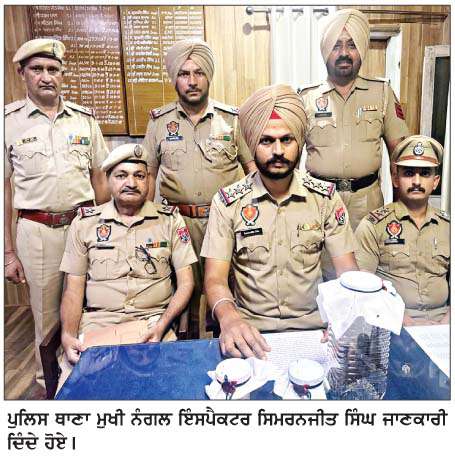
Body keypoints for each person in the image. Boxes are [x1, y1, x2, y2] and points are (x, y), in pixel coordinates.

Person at [201, 84, 358, 359]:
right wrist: (229, 318)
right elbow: (214, 279)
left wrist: (343, 319)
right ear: (253, 144)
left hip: (315, 331)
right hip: (251, 333)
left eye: (287, 140)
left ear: (300, 143)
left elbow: (347, 271)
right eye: (266, 141)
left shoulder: (325, 198)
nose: (278, 150)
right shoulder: (228, 202)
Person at [4, 38, 110, 395]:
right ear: (22, 74)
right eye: (37, 69)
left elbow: (100, 179)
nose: (46, 76)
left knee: (93, 304)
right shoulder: (8, 123)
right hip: (38, 231)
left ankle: (90, 377)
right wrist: (8, 253)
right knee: (47, 318)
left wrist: (106, 229)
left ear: (62, 74)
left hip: (83, 227)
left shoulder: (84, 120)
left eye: (53, 69)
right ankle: (49, 386)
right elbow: (5, 191)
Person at [58, 144, 197, 388]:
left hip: (153, 323)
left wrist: (162, 325)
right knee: (80, 391)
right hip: (98, 325)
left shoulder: (170, 220)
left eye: (139, 176)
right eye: (121, 175)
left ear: (148, 181)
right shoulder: (84, 224)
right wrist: (68, 336)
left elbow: (187, 283)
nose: (131, 183)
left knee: (168, 389)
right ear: (108, 180)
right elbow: (73, 289)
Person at [143, 39, 256, 338]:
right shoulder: (159, 122)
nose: (192, 81)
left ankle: (228, 348)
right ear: (174, 79)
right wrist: (147, 225)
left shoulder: (231, 120)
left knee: (228, 291)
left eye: (199, 73)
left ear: (209, 76)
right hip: (177, 224)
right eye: (184, 74)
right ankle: (187, 347)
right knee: (184, 297)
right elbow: (148, 177)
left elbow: (253, 170)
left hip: (225, 222)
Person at [299, 8, 409, 231]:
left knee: (366, 255)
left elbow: (399, 156)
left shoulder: (382, 93)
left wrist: (400, 209)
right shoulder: (306, 98)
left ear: (361, 49)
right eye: (336, 46)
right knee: (318, 255)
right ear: (326, 51)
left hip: (368, 204)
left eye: (351, 45)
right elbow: (289, 155)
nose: (344, 53)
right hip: (319, 202)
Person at [355, 135, 450, 326]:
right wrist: (404, 322)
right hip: (392, 323)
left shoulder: (448, 227)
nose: (417, 181)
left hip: (444, 324)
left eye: (425, 173)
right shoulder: (373, 226)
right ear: (395, 179)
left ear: (436, 181)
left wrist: (446, 324)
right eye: (408, 173)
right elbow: (362, 288)